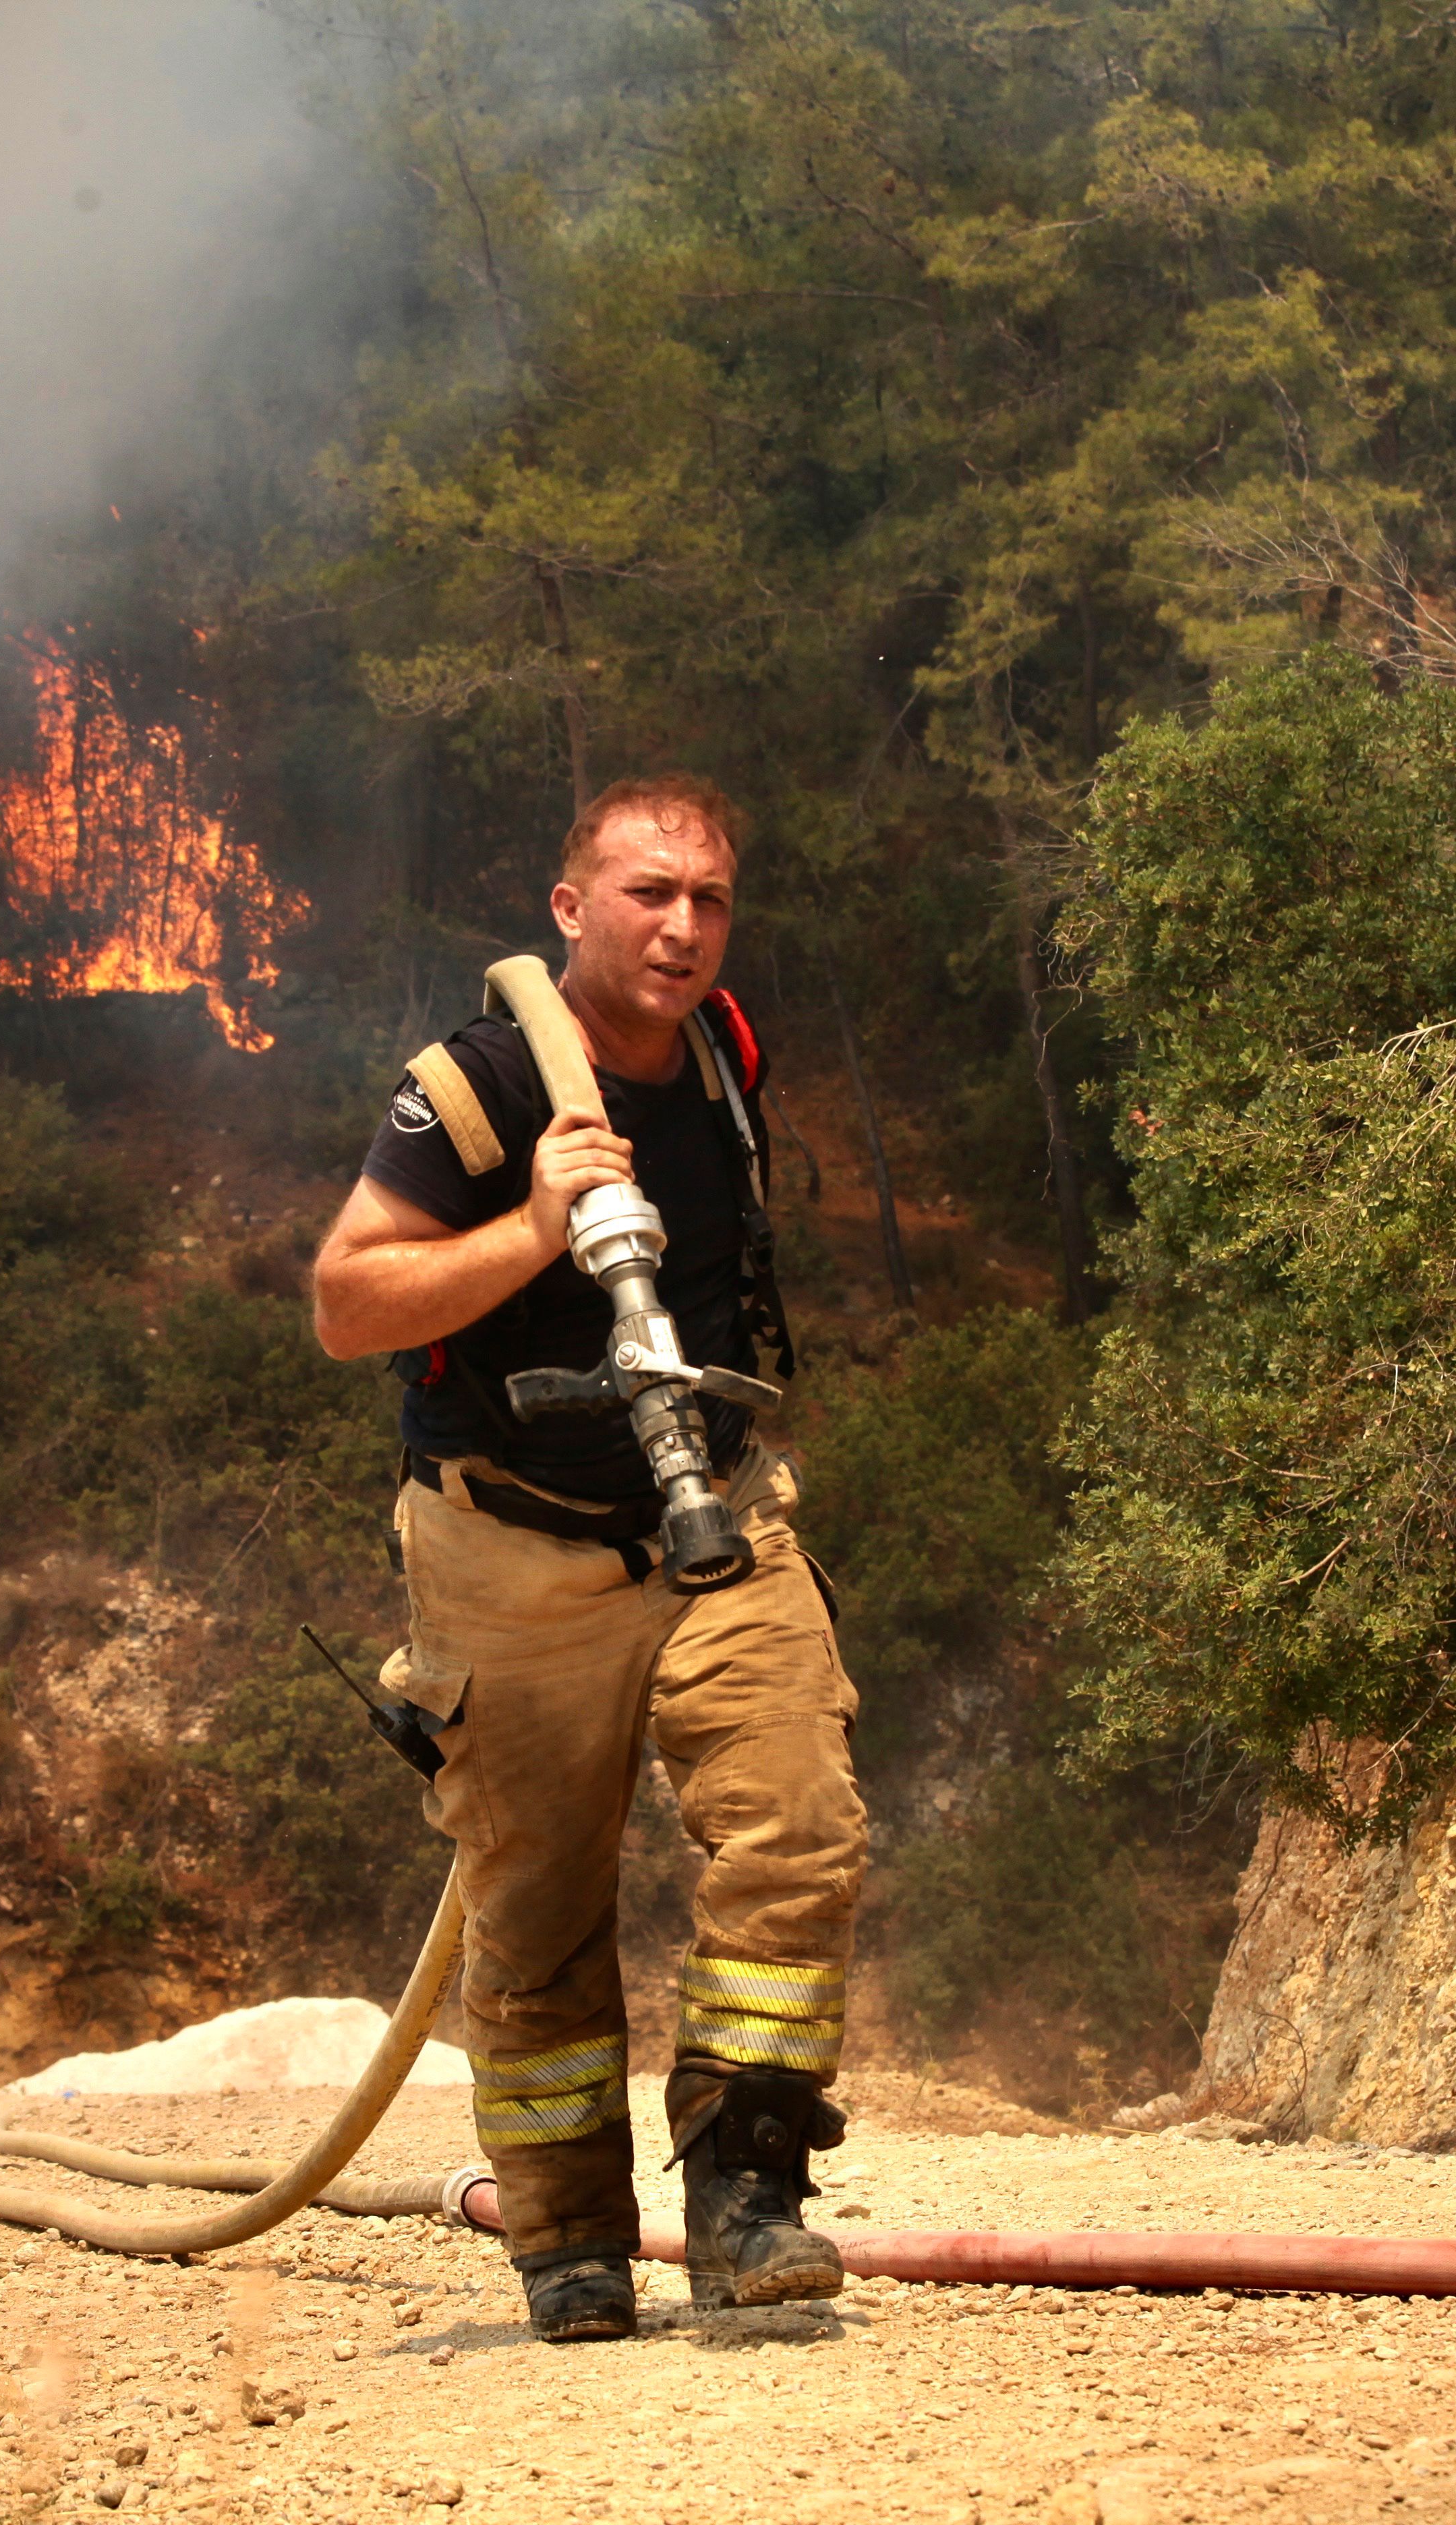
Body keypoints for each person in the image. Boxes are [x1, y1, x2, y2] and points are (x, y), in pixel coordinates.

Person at [310, 774, 865, 2344]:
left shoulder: (725, 1055)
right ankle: (568, 2241)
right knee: (539, 1914)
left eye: (710, 899)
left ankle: (748, 2193)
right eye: (648, 894)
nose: (684, 927)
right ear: (570, 909)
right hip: (513, 1547)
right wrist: (533, 1232)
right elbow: (346, 1302)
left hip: (713, 1514)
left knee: (799, 1825)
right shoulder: (477, 1088)